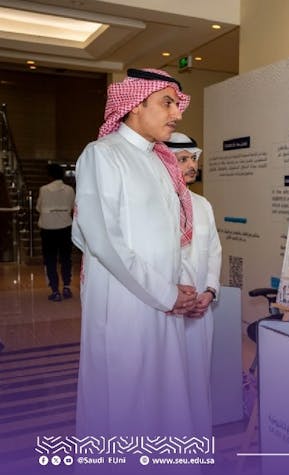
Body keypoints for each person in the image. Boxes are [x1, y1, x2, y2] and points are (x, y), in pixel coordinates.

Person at [72, 68, 199, 436]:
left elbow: (169, 237)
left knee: (165, 397)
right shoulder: (102, 154)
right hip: (124, 304)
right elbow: (103, 240)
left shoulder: (160, 161)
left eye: (177, 105)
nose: (176, 114)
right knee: (125, 402)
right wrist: (165, 292)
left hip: (163, 300)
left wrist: (176, 286)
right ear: (135, 105)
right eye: (167, 103)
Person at [166, 132, 221, 437]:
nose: (192, 165)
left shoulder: (202, 204)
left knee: (199, 382)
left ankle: (198, 447)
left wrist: (210, 291)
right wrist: (173, 296)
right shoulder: (155, 204)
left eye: (193, 159)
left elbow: (214, 250)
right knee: (171, 385)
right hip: (169, 310)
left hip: (201, 309)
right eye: (183, 159)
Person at [36, 163, 75, 301]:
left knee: (50, 259)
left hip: (48, 229)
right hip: (65, 227)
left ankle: (55, 290)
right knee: (66, 258)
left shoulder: (43, 189)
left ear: (50, 175)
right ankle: (67, 287)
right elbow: (73, 206)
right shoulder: (70, 190)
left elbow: (39, 207)